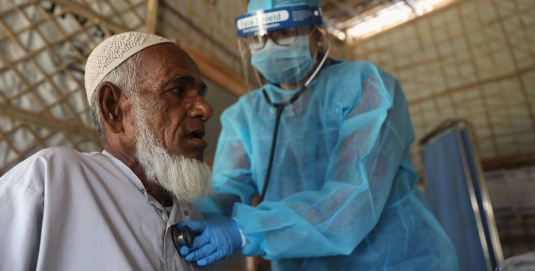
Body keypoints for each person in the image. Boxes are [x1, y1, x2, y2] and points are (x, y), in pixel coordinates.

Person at [177, 0, 460, 270]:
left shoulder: (367, 89)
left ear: (316, 34)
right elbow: (226, 189)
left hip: (393, 260)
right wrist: (188, 213)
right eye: (257, 37)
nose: (269, 46)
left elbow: (353, 199)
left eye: (285, 33)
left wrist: (243, 231)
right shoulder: (245, 115)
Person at [0, 32, 217, 271]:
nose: (205, 109)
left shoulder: (190, 215)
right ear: (114, 108)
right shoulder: (53, 177)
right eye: (177, 90)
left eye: (200, 93)